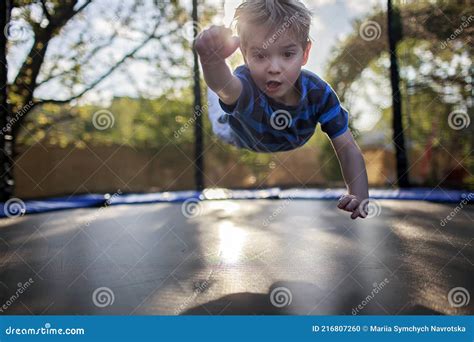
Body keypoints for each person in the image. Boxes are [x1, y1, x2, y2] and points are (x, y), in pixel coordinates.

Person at [195, 0, 369, 219]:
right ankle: (217, 75)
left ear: (305, 53)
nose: (274, 68)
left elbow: (347, 147)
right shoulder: (246, 84)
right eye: (260, 56)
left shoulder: (319, 94)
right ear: (245, 54)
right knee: (219, 90)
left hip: (285, 137)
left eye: (287, 54)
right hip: (234, 132)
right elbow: (227, 88)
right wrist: (210, 61)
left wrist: (359, 193)